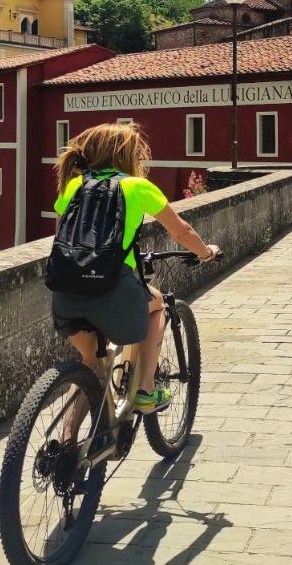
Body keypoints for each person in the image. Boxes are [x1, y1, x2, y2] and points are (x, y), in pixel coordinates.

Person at [51, 122, 220, 414]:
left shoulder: (75, 186)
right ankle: (145, 391)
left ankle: (65, 442)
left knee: (90, 362)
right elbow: (182, 232)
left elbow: (65, 236)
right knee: (159, 306)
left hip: (65, 293)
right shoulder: (136, 187)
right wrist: (206, 252)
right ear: (125, 155)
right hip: (112, 289)